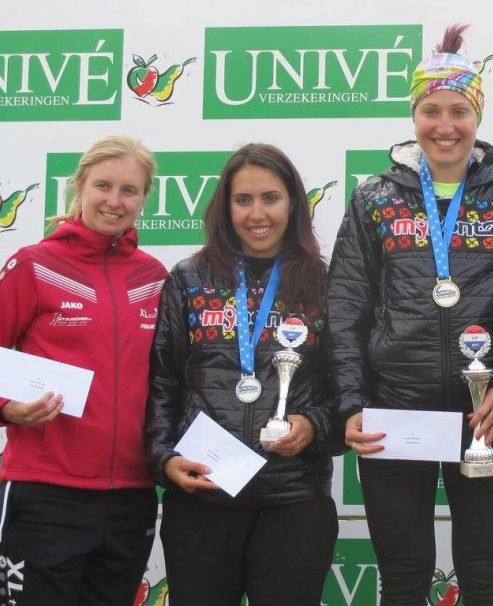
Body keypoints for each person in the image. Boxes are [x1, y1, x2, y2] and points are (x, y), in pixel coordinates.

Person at [327, 24, 493, 606]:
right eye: (430, 110)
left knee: (485, 581)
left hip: (484, 416)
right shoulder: (373, 199)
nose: (444, 126)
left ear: (477, 116)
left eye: (458, 110)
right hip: (394, 413)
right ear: (414, 117)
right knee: (404, 579)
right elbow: (345, 307)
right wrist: (353, 402)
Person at [0, 135, 166, 605]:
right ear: (79, 187)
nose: (114, 201)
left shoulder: (153, 277)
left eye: (129, 191)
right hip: (44, 492)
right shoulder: (35, 264)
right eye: (103, 186)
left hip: (130, 497)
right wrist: (5, 406)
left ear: (143, 198)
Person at [144, 143, 339, 605]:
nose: (258, 214)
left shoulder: (323, 282)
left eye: (270, 198)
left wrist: (313, 425)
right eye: (243, 199)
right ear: (224, 206)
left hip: (294, 497)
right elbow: (162, 383)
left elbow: (346, 390)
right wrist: (163, 458)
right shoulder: (188, 279)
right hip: (203, 495)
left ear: (293, 204)